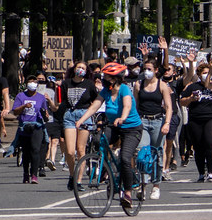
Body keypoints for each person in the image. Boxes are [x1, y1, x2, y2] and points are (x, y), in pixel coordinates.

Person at [76, 63, 143, 209]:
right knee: (100, 141)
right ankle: (109, 174)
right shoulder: (106, 91)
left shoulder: (124, 89)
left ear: (116, 78)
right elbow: (95, 105)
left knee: (125, 158)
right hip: (115, 126)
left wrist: (123, 118)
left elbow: (127, 106)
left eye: (107, 76)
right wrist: (81, 120)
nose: (104, 79)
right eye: (104, 76)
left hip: (131, 128)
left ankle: (128, 193)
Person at [134, 58, 173, 200]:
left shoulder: (162, 85)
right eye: (145, 69)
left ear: (156, 70)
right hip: (142, 120)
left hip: (157, 121)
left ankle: (156, 185)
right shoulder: (139, 85)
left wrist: (167, 123)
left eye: (149, 69)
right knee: (142, 153)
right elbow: (135, 105)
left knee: (156, 153)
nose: (146, 72)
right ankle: (142, 185)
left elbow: (169, 107)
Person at [178, 62, 212, 182]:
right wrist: (191, 98)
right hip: (195, 119)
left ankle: (211, 172)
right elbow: (182, 101)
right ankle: (201, 173)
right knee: (198, 146)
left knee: (210, 142)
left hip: (211, 117)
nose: (206, 75)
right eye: (204, 73)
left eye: (208, 73)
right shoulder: (192, 87)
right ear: (199, 74)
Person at [60, 61, 99, 190]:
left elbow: (95, 101)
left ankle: (79, 180)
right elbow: (62, 102)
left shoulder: (89, 84)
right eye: (78, 67)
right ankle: (72, 175)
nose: (80, 70)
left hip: (84, 115)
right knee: (70, 151)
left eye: (83, 68)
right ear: (74, 69)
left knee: (80, 150)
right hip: (70, 115)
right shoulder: (66, 84)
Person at [12, 75, 48, 184]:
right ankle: (25, 173)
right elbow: (15, 111)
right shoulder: (20, 96)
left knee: (35, 149)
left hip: (37, 126)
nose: (32, 83)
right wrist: (23, 106)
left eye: (34, 81)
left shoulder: (41, 97)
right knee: (26, 151)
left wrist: (45, 114)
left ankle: (34, 175)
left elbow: (45, 112)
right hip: (24, 126)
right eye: (30, 81)